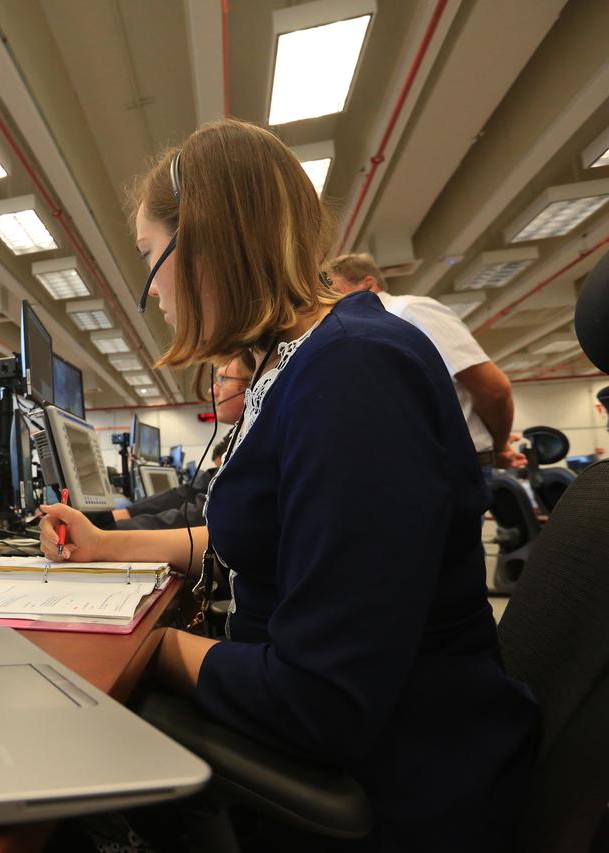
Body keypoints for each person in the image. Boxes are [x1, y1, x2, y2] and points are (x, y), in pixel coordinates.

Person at [40, 119, 536, 850]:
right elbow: (288, 534)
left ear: (203, 243)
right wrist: (108, 543)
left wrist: (145, 641)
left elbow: (320, 698)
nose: (153, 291)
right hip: (379, 746)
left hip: (404, 787)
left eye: (149, 258)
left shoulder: (354, 375)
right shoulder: (311, 364)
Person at [328, 253, 524, 470]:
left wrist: (498, 447)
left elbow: (493, 388)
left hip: (454, 464)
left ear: (368, 284)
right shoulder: (352, 331)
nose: (328, 300)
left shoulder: (409, 310)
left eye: (335, 291)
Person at [110, 353, 252, 530]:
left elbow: (202, 513)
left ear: (252, 385)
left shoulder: (255, 443)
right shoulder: (241, 436)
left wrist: (114, 532)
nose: (212, 390)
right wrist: (128, 514)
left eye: (223, 379)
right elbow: (192, 492)